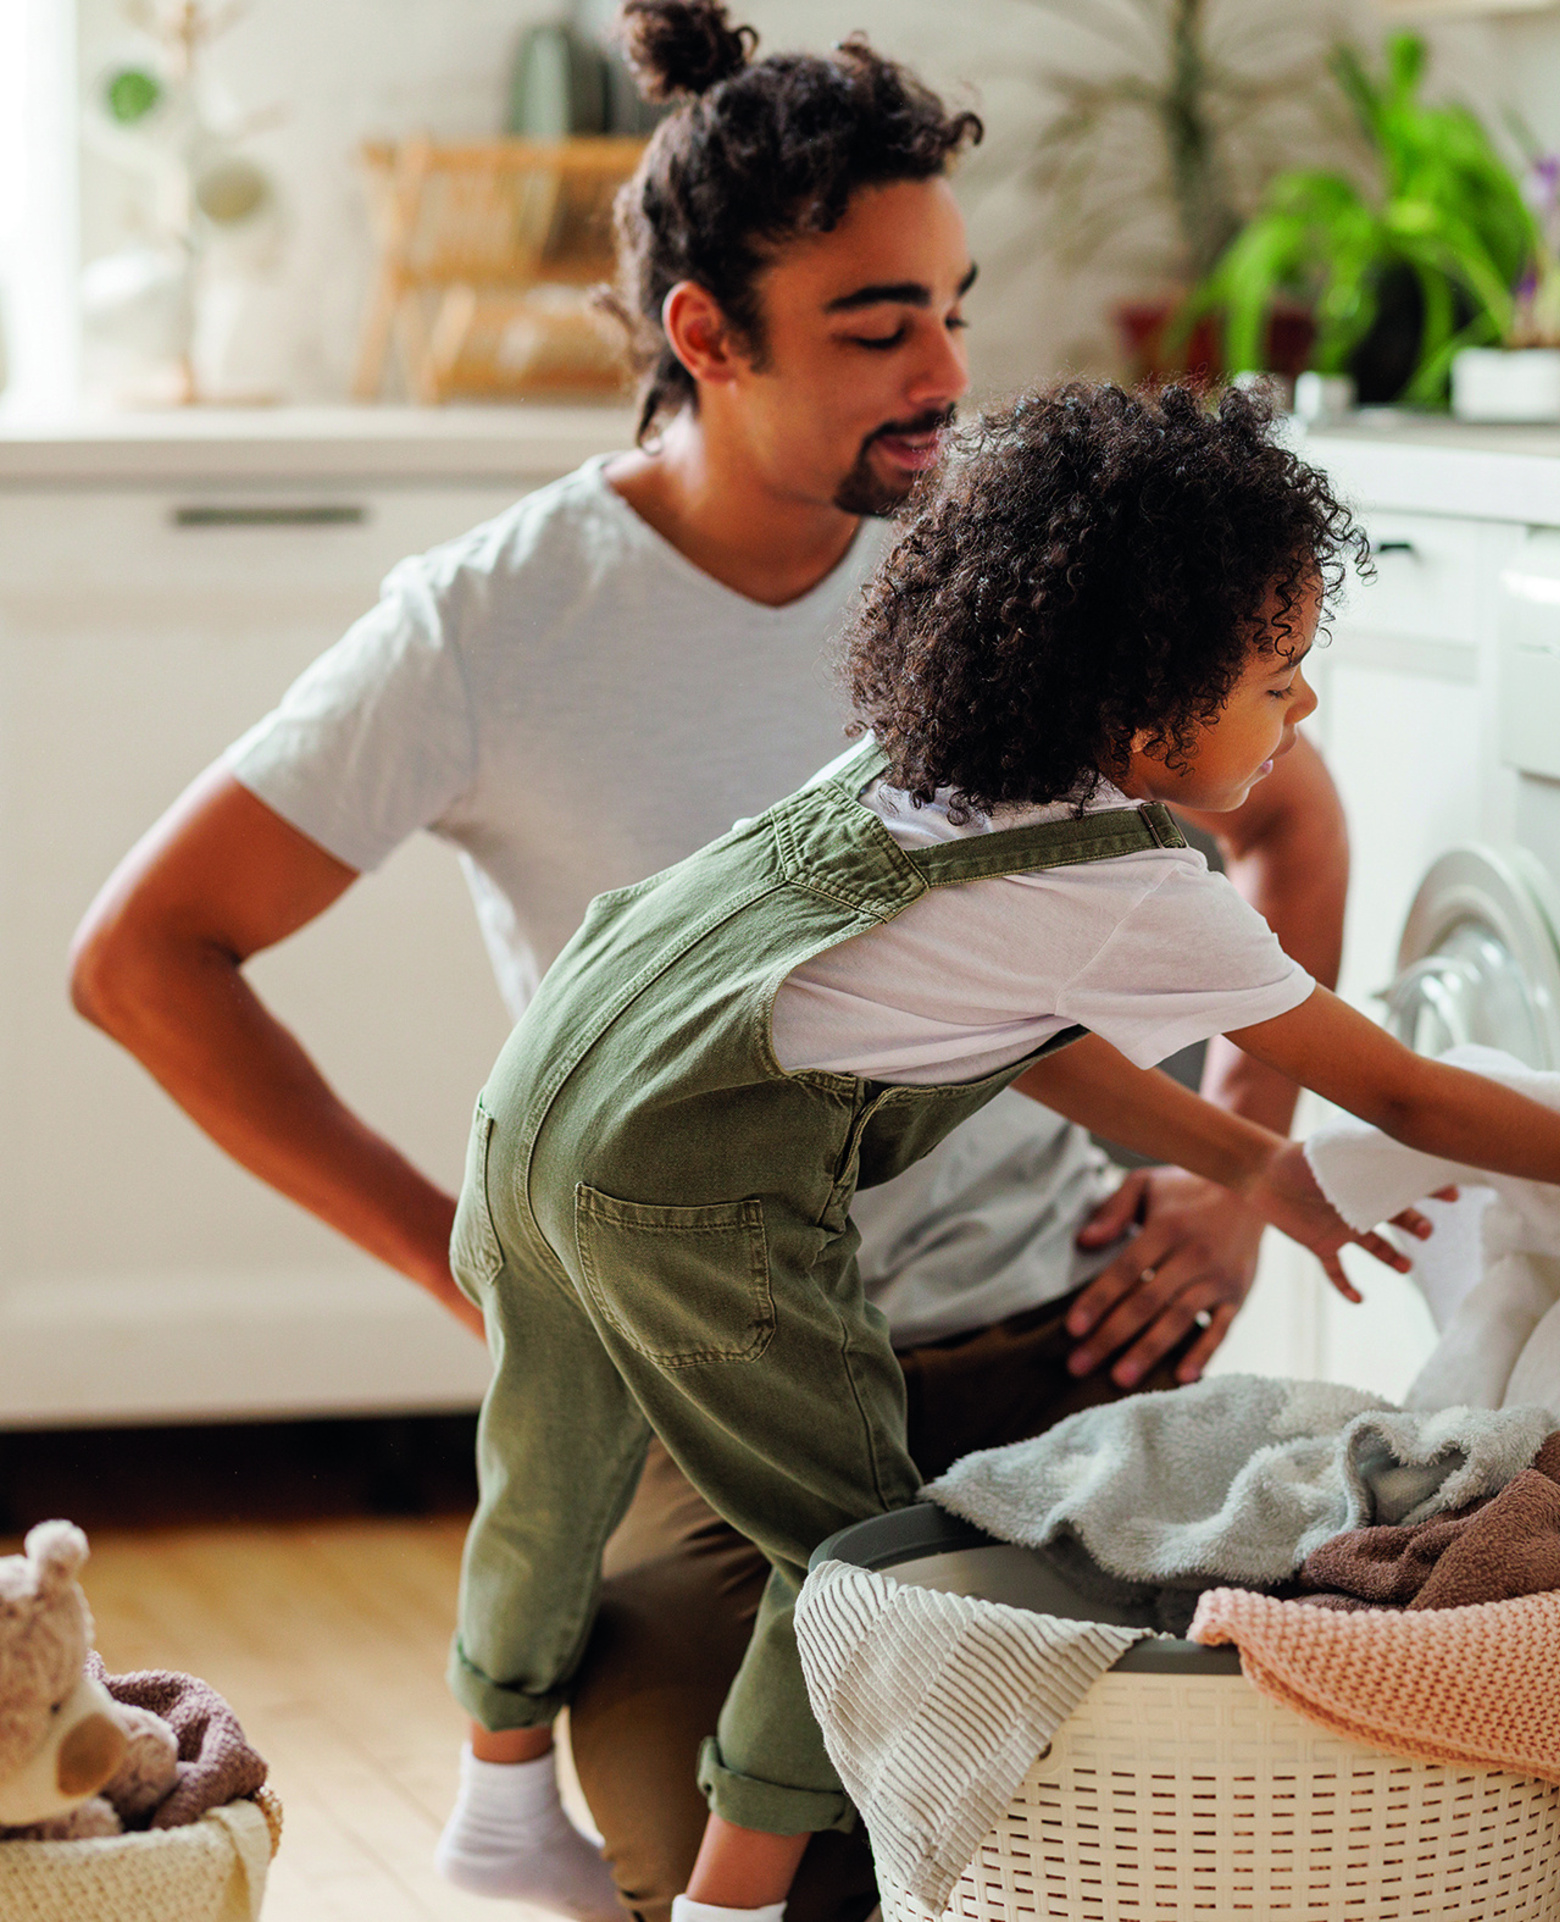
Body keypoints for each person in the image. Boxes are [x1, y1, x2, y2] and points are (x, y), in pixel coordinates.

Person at [66, 7, 1353, 1920]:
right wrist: (488, 1273)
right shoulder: (496, 626)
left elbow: (1287, 815)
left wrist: (1233, 1172)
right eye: (875, 327)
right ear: (704, 333)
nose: (947, 376)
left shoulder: (1006, 544)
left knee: (1134, 1843)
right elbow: (148, 957)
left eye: (952, 308)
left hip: (1050, 1332)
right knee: (772, 1864)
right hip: (706, 1397)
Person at [450, 378, 1560, 1922]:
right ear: (1150, 717)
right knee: (860, 1560)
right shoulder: (1138, 884)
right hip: (691, 1194)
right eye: (1279, 678)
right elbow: (1409, 1097)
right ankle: (732, 1913)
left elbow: (1033, 1036)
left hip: (545, 1101)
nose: (1306, 711)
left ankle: (495, 1801)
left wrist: (1255, 1167)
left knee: (550, 1457)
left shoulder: (928, 765)